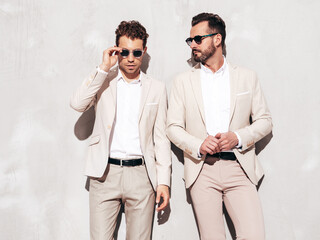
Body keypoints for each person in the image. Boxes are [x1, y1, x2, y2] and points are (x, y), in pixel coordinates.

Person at [166, 12, 272, 240]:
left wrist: (238, 137)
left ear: (217, 39)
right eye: (190, 40)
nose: (192, 45)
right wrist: (198, 144)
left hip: (239, 167)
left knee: (254, 236)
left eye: (198, 39)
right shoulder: (182, 81)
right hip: (202, 169)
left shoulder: (247, 77)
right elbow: (172, 127)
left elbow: (265, 121)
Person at [70, 20, 171, 240]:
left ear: (144, 51)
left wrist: (163, 182)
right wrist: (104, 67)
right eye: (124, 52)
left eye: (136, 52)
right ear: (117, 51)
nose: (131, 58)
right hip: (105, 174)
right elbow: (77, 103)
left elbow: (161, 139)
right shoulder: (104, 81)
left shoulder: (157, 88)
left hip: (142, 176)